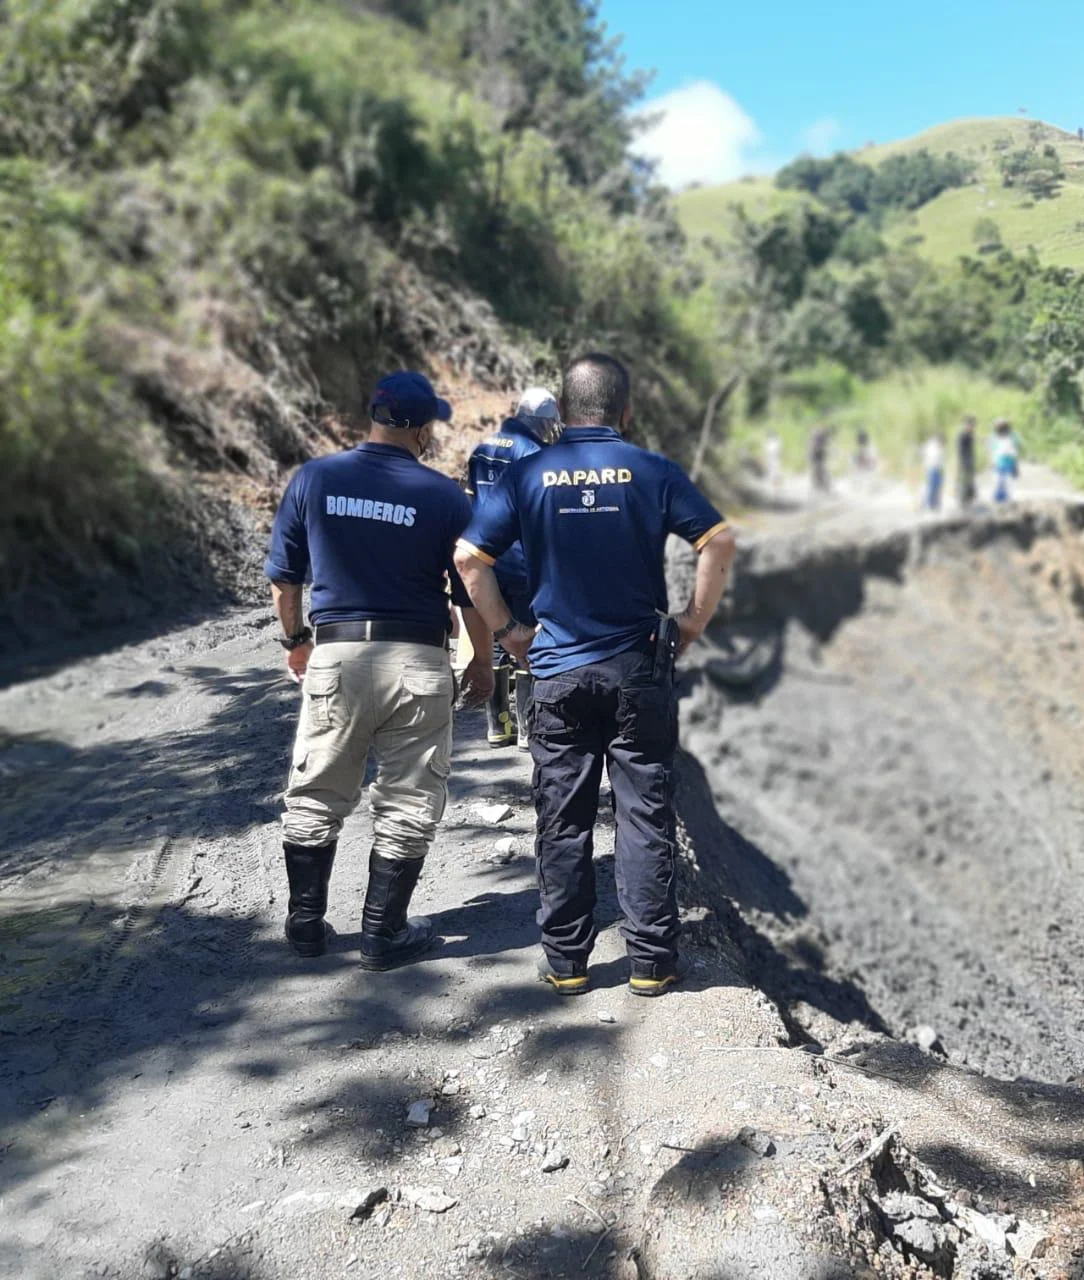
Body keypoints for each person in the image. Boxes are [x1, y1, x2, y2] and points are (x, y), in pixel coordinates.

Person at [454, 353, 737, 999]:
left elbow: (470, 558)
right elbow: (717, 541)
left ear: (562, 410)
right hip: (636, 667)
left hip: (556, 669)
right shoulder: (652, 470)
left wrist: (509, 633)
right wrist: (692, 622)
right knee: (643, 814)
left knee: (563, 817)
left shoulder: (528, 473)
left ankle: (566, 963)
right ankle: (651, 963)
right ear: (625, 411)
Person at [265, 371, 494, 972]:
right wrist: (485, 663)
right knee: (409, 799)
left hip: (338, 655)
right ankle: (382, 933)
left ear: (373, 416)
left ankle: (306, 926)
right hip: (417, 662)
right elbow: (470, 585)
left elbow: (285, 580)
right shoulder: (445, 496)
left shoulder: (315, 479)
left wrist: (295, 642)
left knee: (315, 792)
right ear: (420, 429)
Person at [465, 387, 562, 750]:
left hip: (486, 557)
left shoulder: (483, 446)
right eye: (551, 422)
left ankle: (497, 726)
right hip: (523, 558)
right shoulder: (535, 453)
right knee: (525, 639)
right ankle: (526, 729)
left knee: (496, 634)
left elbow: (473, 498)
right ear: (542, 420)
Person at [991, 418, 1019, 503]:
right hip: (999, 462)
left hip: (1008, 462)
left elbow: (1015, 450)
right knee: (997, 481)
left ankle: (1008, 499)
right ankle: (998, 499)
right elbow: (993, 450)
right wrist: (992, 461)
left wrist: (1015, 464)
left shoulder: (1012, 436)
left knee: (1008, 481)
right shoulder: (994, 437)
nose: (1000, 428)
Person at [956, 415, 977, 508]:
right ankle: (963, 502)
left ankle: (969, 501)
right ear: (965, 425)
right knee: (965, 483)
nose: (971, 427)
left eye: (972, 425)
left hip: (970, 462)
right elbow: (960, 451)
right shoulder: (963, 435)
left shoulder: (969, 434)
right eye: (970, 424)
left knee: (970, 482)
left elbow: (974, 438)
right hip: (964, 462)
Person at [921, 431, 945, 511]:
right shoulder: (931, 446)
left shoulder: (939, 447)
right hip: (931, 468)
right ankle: (927, 505)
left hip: (938, 469)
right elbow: (929, 458)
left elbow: (941, 459)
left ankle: (935, 505)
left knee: (937, 488)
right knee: (931, 488)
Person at [808, 425, 833, 494]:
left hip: (819, 454)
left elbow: (827, 444)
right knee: (817, 468)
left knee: (822, 468)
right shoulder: (816, 437)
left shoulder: (822, 437)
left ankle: (822, 484)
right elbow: (812, 447)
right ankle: (818, 484)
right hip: (815, 454)